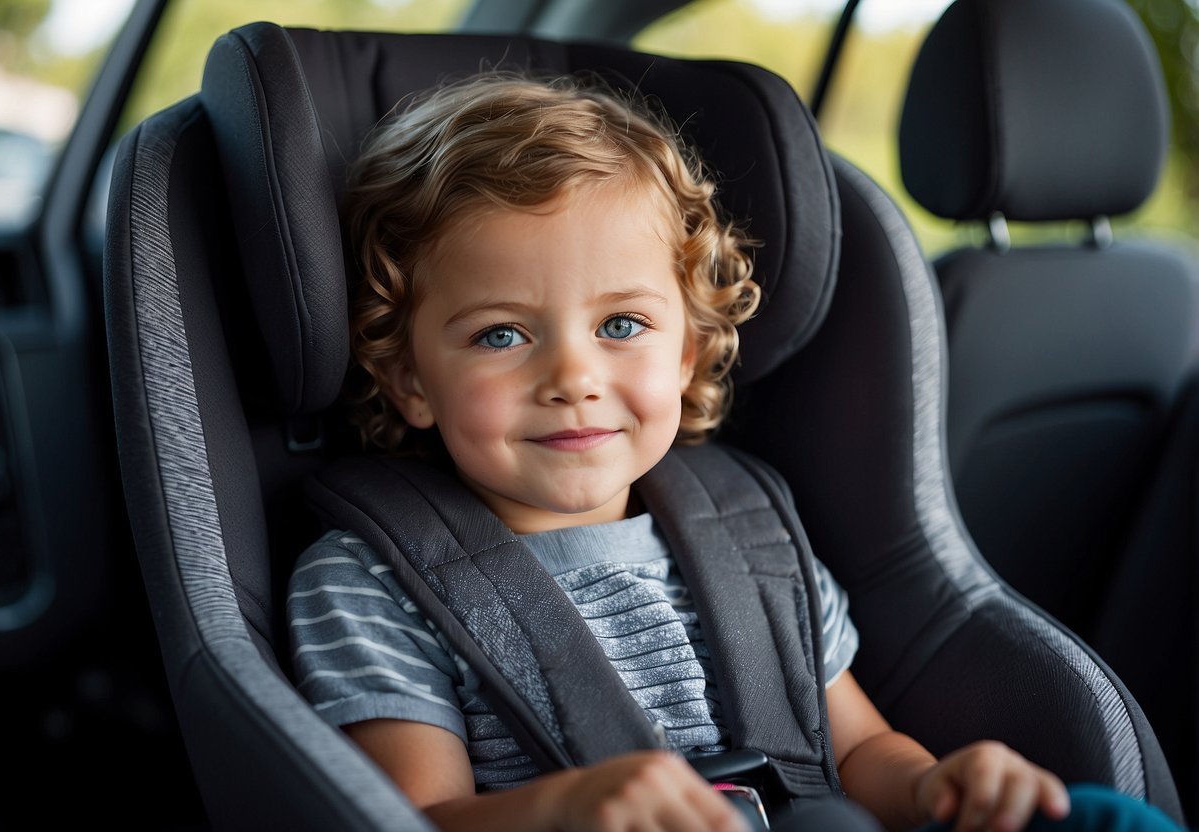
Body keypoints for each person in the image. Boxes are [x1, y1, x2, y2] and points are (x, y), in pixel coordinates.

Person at [286, 74, 1183, 832]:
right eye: (499, 335)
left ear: (684, 354)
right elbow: (407, 815)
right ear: (408, 379)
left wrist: (931, 788)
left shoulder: (751, 533)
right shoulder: (373, 583)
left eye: (622, 325)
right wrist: (562, 810)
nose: (572, 375)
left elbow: (858, 746)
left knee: (1096, 816)